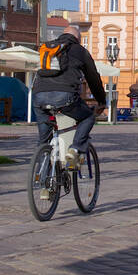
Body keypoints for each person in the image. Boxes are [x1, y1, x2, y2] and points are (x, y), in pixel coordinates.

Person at [33, 22, 107, 167]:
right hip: (65, 95)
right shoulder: (79, 51)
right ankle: (75, 149)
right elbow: (92, 78)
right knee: (87, 117)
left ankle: (42, 178)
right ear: (78, 39)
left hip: (39, 96)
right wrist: (101, 101)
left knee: (44, 139)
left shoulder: (46, 47)